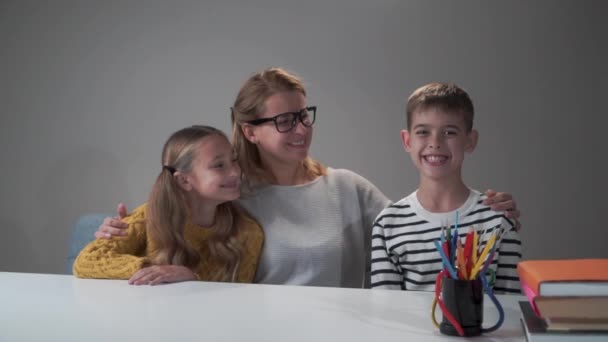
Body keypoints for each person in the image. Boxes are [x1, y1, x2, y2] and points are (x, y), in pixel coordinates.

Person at [95, 68, 521, 288]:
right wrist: (112, 234)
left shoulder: (346, 189)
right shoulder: (228, 192)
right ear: (249, 131)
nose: (300, 129)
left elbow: (418, 232)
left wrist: (482, 211)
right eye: (283, 120)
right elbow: (163, 226)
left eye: (302, 115)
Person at [370, 82, 521, 293]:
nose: (435, 142)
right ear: (407, 141)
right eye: (423, 132)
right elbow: (384, 312)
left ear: (470, 141)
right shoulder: (388, 225)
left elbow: (511, 306)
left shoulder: (498, 218)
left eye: (450, 132)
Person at [74, 125, 264, 285]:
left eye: (233, 160)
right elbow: (87, 261)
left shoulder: (248, 232)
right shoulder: (149, 216)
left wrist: (191, 277)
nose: (235, 172)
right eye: (219, 165)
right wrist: (155, 270)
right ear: (184, 181)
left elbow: (238, 296)